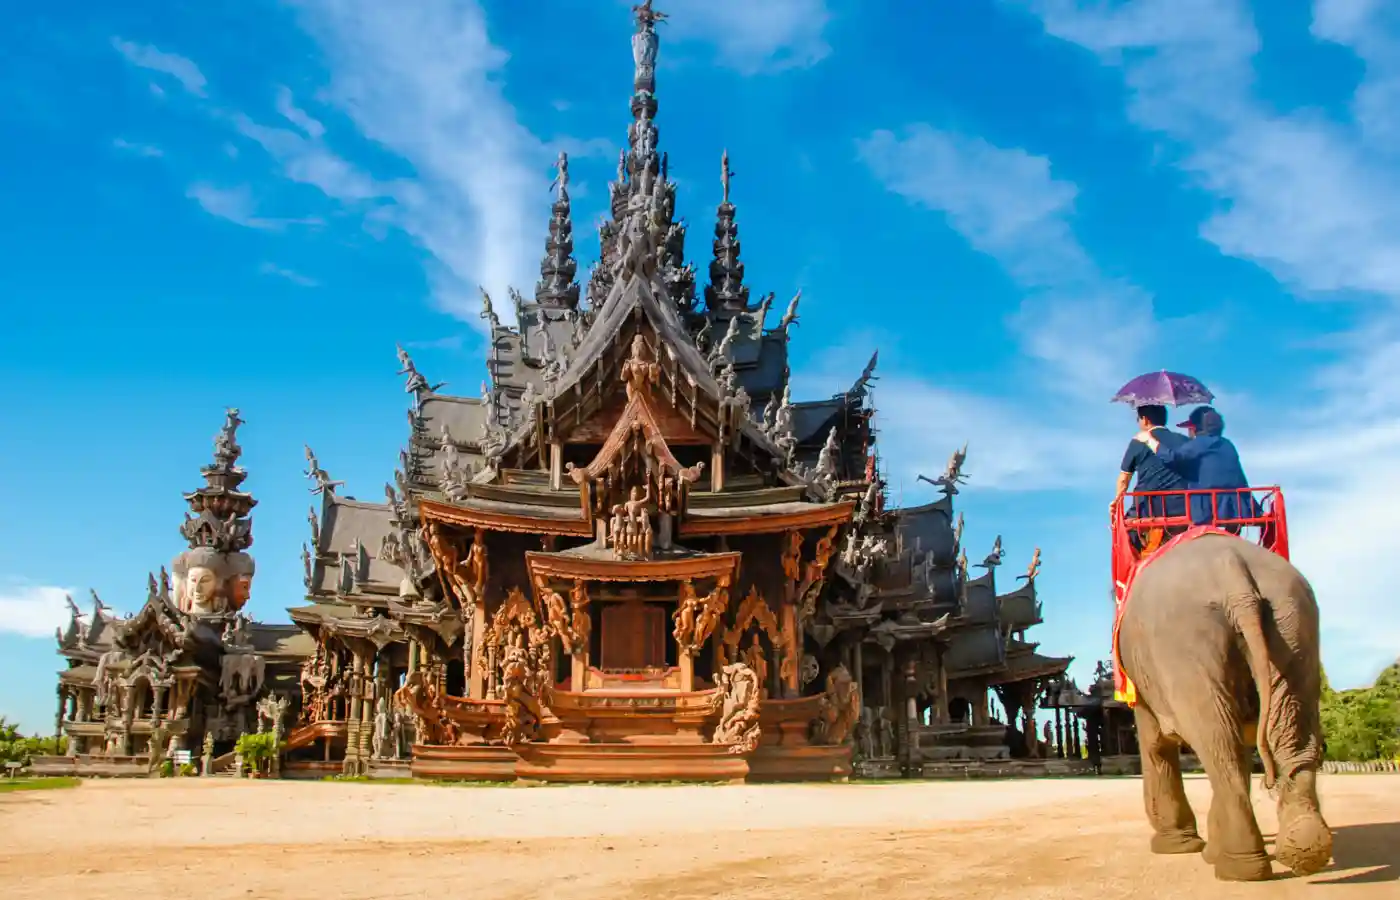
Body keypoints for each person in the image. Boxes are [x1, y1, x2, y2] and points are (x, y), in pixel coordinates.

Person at [1136, 406, 1253, 527]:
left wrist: (1149, 440)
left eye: (1190, 428)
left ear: (1196, 428)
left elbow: (1172, 458)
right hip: (1238, 507)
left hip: (1208, 509)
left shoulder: (1199, 444)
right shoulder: (1228, 444)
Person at [1114, 405, 1188, 552]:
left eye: (1138, 419)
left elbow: (1123, 479)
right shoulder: (1184, 440)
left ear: (1145, 420)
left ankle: (1128, 572)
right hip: (1184, 506)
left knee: (1125, 535)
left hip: (1149, 508)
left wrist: (1116, 503)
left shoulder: (1138, 441)